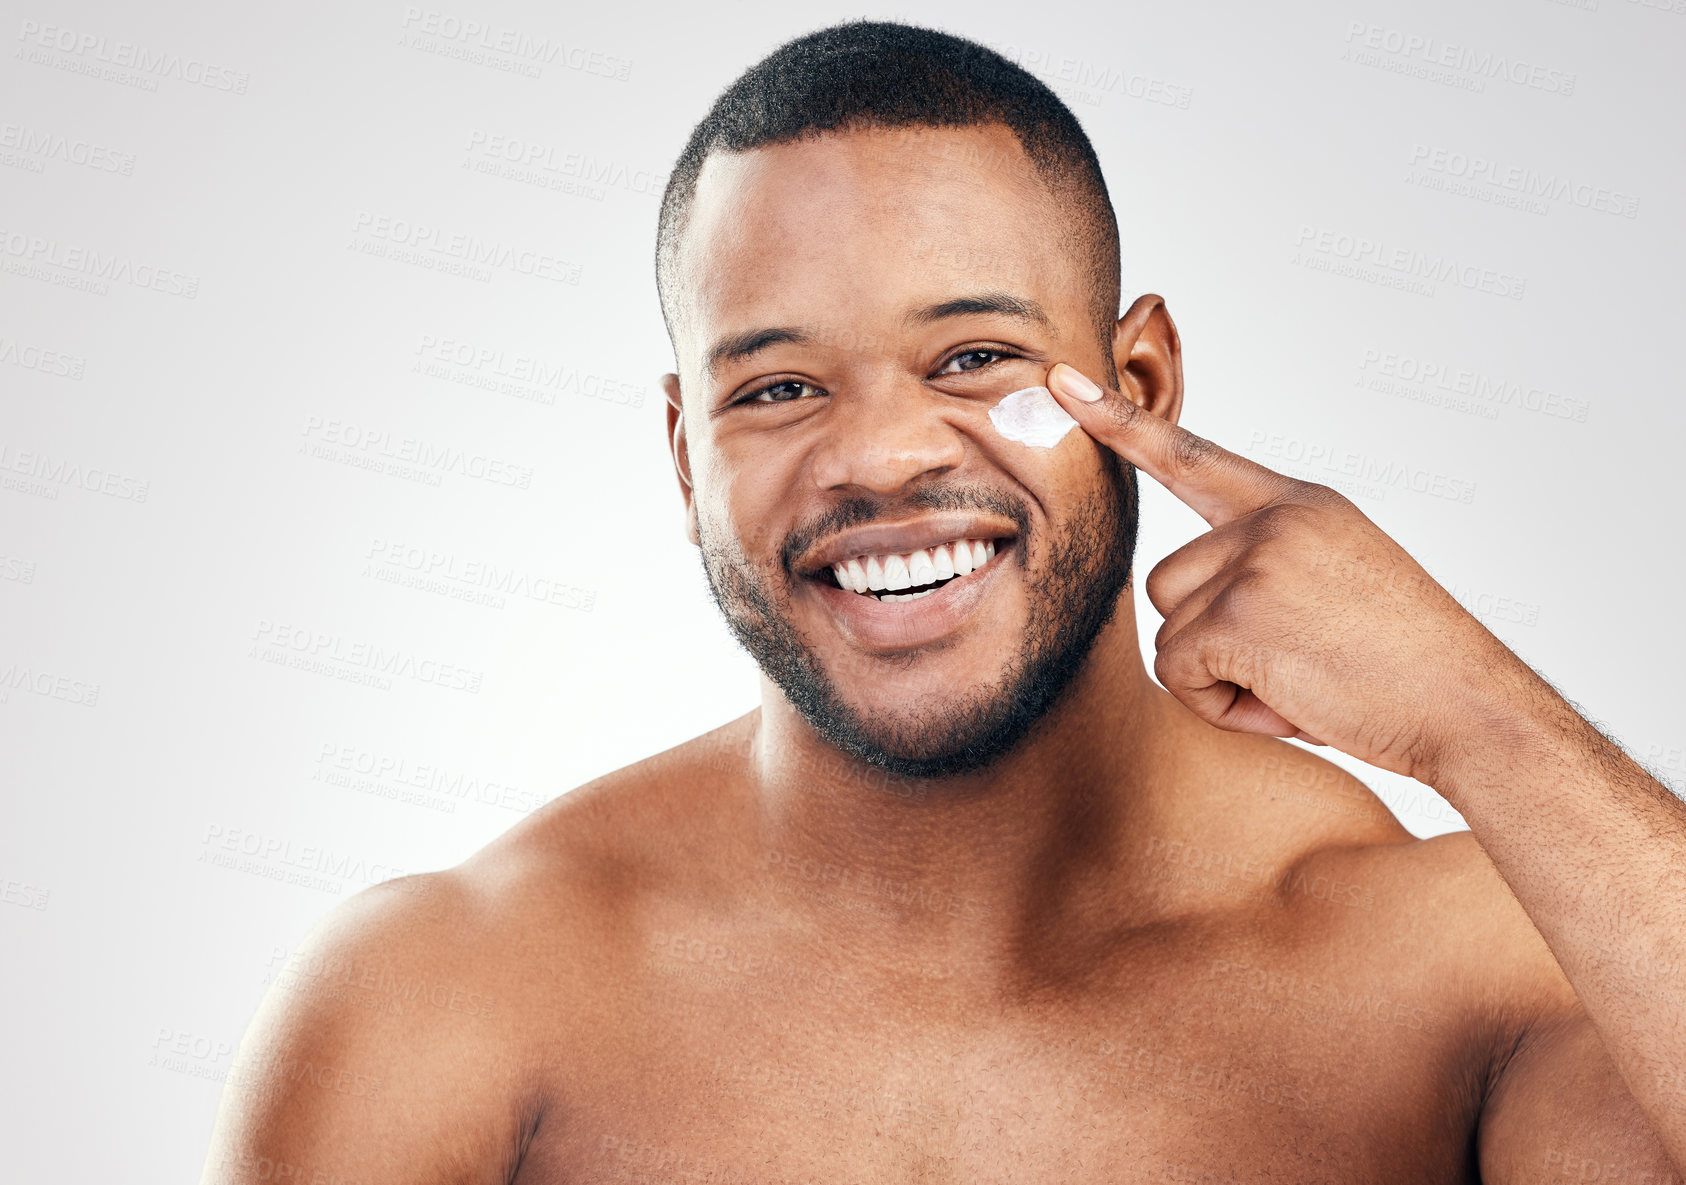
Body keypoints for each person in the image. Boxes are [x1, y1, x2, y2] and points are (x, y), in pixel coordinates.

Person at [202, 21, 1686, 1184]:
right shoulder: (455, 1000)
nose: (877, 457)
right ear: (684, 454)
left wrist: (1484, 717)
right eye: (777, 388)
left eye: (971, 355)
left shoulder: (1465, 975)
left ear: (1139, 384)